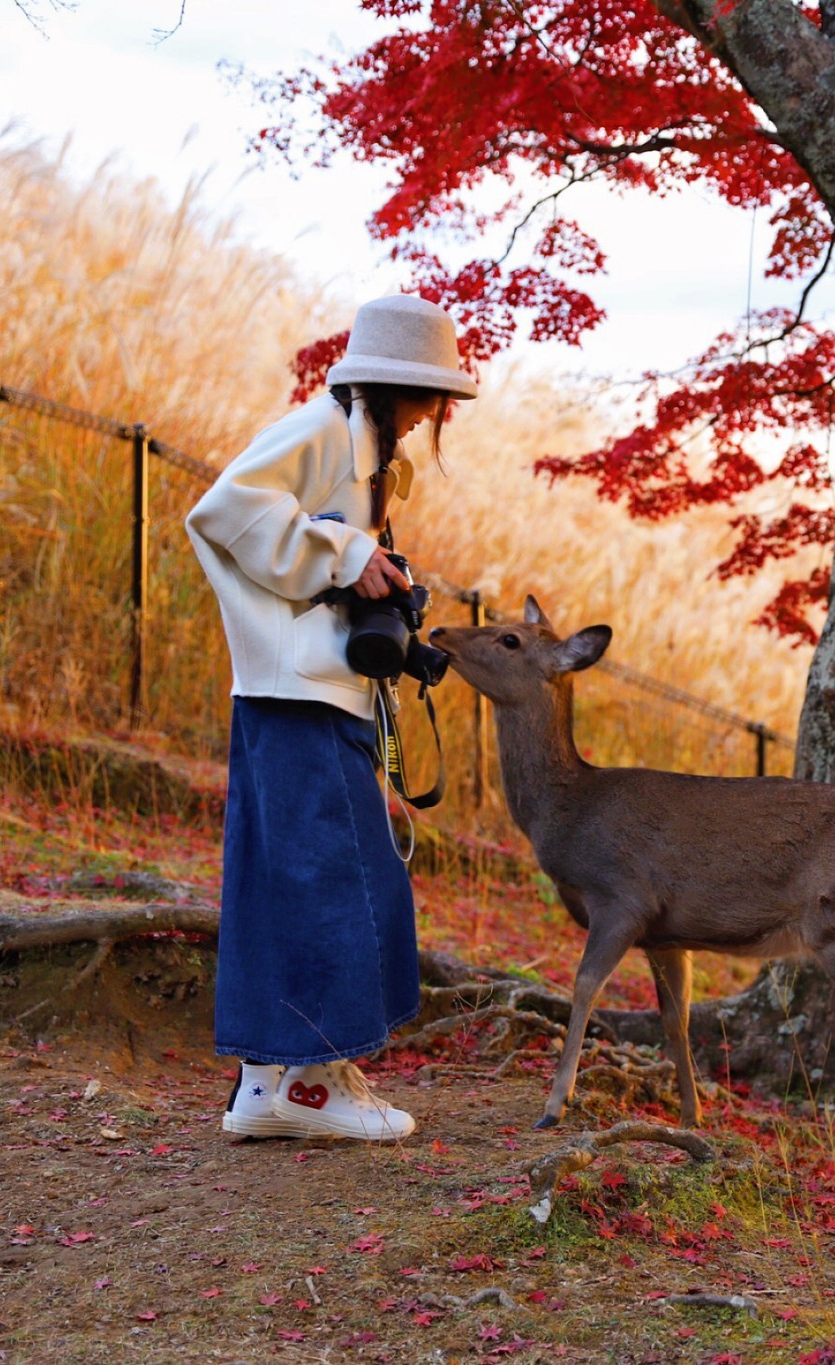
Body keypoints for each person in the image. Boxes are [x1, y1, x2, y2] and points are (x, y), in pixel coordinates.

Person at [185, 294, 476, 1141]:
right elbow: (224, 509)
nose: (439, 412)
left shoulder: (364, 455)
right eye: (430, 394)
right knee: (347, 880)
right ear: (388, 385)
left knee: (286, 884)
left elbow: (315, 558)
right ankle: (317, 1080)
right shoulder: (320, 431)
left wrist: (377, 597)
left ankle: (262, 1086)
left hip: (309, 692)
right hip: (296, 697)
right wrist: (350, 555)